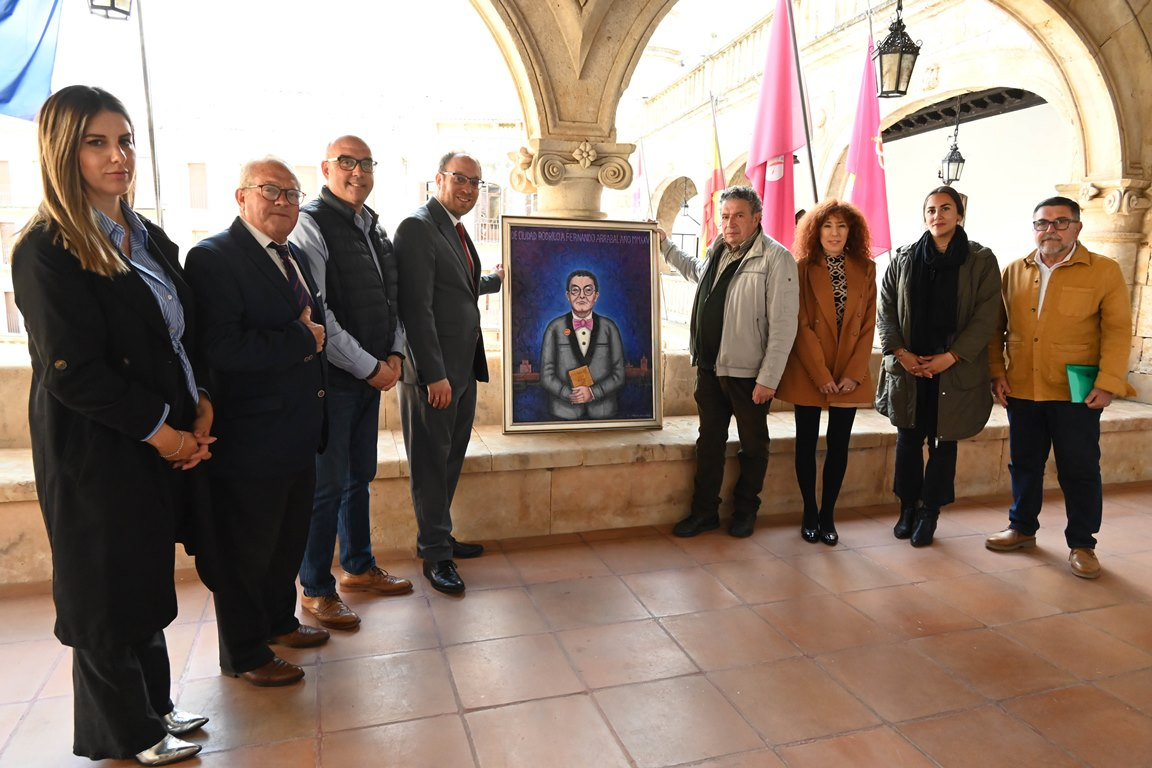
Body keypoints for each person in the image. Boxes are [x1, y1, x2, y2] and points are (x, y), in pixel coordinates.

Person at [11, 85, 211, 766]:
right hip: (97, 448)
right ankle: (122, 732)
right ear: (64, 152)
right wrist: (166, 432)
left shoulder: (145, 234)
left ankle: (155, 706)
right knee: (103, 590)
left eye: (124, 139)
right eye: (97, 142)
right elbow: (75, 372)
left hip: (157, 440)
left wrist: (200, 401)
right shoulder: (45, 249)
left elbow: (178, 336)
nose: (118, 155)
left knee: (143, 577)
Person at [185, 158, 329, 686]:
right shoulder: (213, 258)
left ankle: (277, 622)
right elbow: (219, 348)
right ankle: (244, 654)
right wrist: (300, 339)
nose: (284, 202)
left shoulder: (293, 258)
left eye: (292, 194)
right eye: (271, 191)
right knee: (245, 551)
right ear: (241, 196)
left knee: (285, 542)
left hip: (296, 432)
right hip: (249, 437)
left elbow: (313, 324)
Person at [289, 136, 412, 630]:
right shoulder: (311, 224)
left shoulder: (373, 228)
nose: (357, 172)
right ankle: (317, 588)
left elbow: (391, 301)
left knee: (359, 477)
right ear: (326, 168)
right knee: (327, 485)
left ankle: (358, 567)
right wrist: (370, 366)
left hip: (371, 375)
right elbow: (321, 313)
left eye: (365, 163)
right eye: (346, 162)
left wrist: (397, 353)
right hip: (334, 381)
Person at [985, 196, 1135, 579]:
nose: (1050, 229)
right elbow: (995, 329)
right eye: (1042, 223)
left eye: (1060, 222)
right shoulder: (1014, 271)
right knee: (1024, 464)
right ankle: (1021, 529)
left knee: (1080, 468)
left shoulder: (1103, 271)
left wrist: (1108, 383)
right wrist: (997, 372)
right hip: (1022, 386)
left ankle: (1082, 543)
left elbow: (1117, 332)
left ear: (1078, 228)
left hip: (1077, 392)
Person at [658, 186, 799, 539]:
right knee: (709, 443)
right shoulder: (717, 249)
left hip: (749, 374)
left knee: (754, 446)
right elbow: (695, 271)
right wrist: (665, 245)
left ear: (755, 218)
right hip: (709, 368)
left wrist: (769, 378)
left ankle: (745, 511)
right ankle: (704, 512)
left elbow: (783, 324)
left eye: (738, 215)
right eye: (724, 216)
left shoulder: (775, 258)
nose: (730, 223)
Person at [395, 151, 504, 594]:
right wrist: (432, 374)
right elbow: (415, 308)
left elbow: (455, 285)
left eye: (476, 183)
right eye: (460, 179)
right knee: (429, 463)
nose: (468, 189)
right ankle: (435, 555)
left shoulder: (454, 231)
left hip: (461, 371)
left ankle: (441, 535)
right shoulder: (417, 227)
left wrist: (493, 280)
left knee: (449, 459)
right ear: (438, 179)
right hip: (435, 377)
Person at [875, 186, 1001, 547]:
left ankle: (930, 511)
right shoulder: (903, 257)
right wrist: (900, 353)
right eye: (930, 209)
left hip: (954, 369)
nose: (937, 215)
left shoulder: (980, 260)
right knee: (908, 440)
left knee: (943, 442)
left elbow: (986, 315)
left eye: (945, 208)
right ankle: (907, 508)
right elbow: (885, 310)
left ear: (959, 214)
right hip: (910, 368)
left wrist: (952, 356)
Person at [776, 200, 876, 546]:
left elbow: (867, 326)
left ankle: (828, 514)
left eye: (841, 226)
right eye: (827, 226)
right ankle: (809, 511)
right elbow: (800, 324)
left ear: (852, 232)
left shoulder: (866, 268)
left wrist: (854, 372)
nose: (834, 233)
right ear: (815, 231)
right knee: (806, 443)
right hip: (809, 368)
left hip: (848, 369)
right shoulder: (800, 267)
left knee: (839, 445)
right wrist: (820, 374)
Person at [538, 268, 626, 419]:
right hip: (564, 413)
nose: (582, 296)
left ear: (596, 296)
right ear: (568, 295)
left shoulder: (609, 328)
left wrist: (593, 393)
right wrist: (570, 394)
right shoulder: (554, 328)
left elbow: (619, 374)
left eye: (588, 290)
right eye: (575, 291)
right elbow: (546, 375)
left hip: (604, 413)